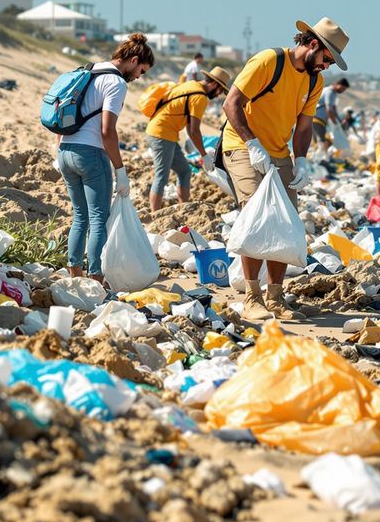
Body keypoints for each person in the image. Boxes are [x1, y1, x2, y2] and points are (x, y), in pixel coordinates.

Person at [221, 17, 349, 321]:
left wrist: (301, 159)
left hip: (279, 153)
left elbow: (304, 127)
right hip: (241, 144)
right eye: (328, 59)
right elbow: (231, 104)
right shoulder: (269, 61)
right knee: (256, 214)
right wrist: (253, 145)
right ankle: (253, 298)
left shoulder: (314, 81)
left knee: (284, 221)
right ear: (313, 44)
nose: (327, 66)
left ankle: (275, 298)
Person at [56, 33, 154, 283]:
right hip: (90, 155)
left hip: (65, 150)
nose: (138, 77)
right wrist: (120, 170)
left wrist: (59, 151)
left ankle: (75, 274)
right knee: (99, 218)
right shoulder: (116, 83)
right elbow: (107, 131)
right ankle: (96, 278)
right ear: (133, 60)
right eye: (141, 71)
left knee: (80, 216)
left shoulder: (88, 70)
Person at [145, 65, 233, 211]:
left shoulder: (192, 85)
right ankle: (154, 214)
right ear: (213, 84)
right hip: (161, 135)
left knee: (185, 171)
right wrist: (204, 155)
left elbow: (188, 125)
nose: (219, 95)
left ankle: (182, 209)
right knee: (162, 175)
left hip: (166, 134)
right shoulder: (199, 97)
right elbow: (194, 131)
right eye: (220, 90)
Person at [312, 77, 350, 144]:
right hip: (317, 119)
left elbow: (334, 110)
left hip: (319, 120)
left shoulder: (333, 94)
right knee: (322, 141)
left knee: (319, 141)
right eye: (343, 88)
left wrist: (338, 122)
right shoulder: (330, 92)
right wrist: (335, 124)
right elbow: (329, 110)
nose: (343, 91)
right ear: (339, 85)